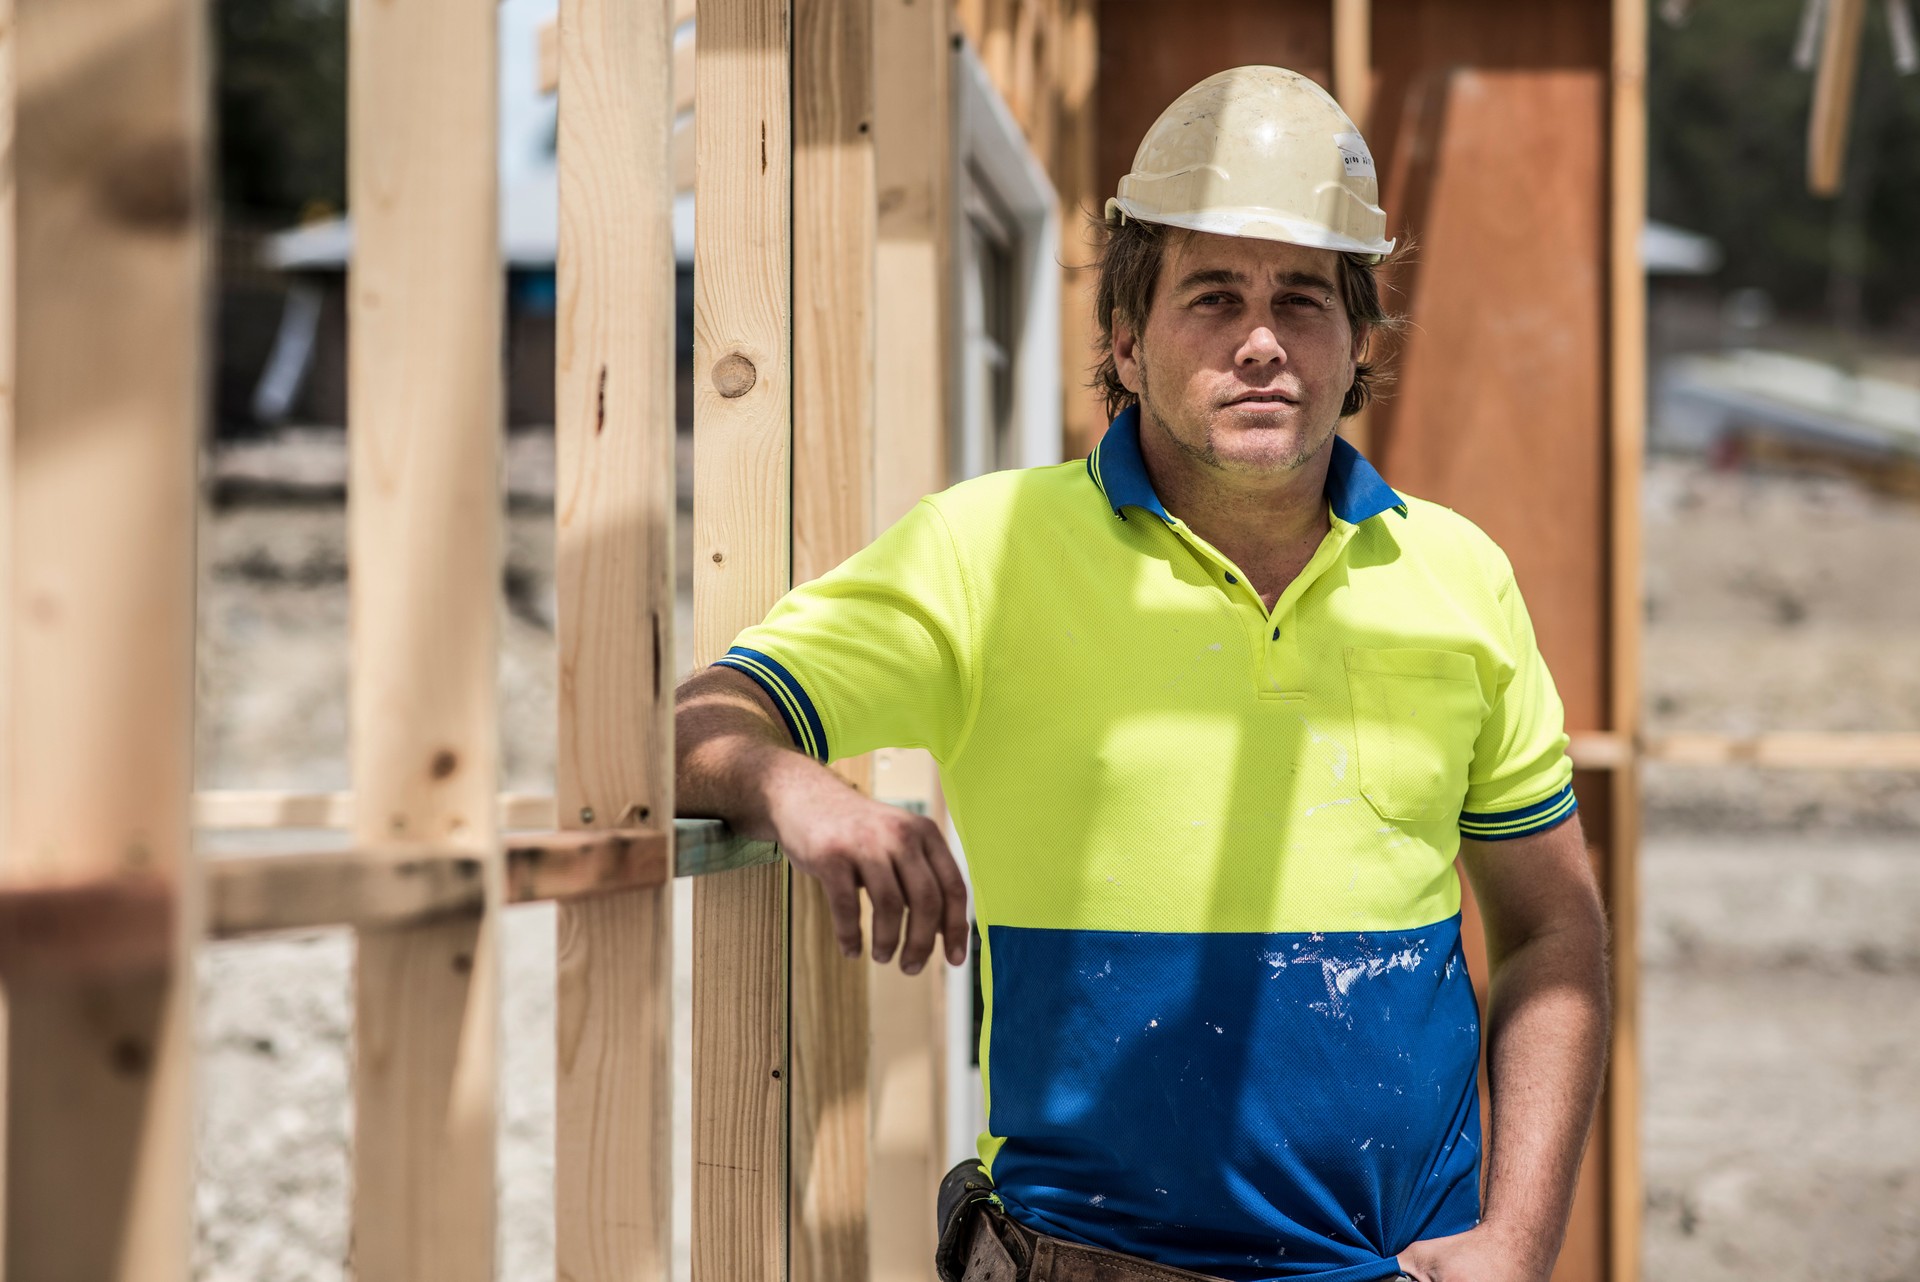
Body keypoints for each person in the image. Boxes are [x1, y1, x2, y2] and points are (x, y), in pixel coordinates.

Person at [676, 65, 1608, 1282]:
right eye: (1212, 297)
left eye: (1305, 300)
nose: (1263, 341)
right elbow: (696, 719)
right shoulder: (989, 553)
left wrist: (1521, 1242)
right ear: (1125, 334)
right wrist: (802, 789)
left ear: (1357, 339)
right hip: (1083, 1263)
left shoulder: (1458, 576)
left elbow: (1552, 931)